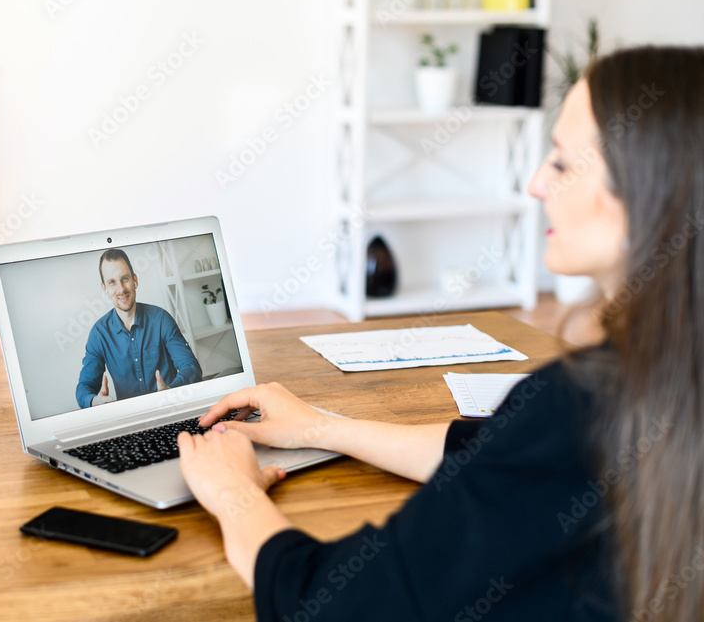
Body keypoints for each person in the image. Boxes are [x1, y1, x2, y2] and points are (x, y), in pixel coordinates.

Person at [179, 46, 704, 622]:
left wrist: (233, 492)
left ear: (644, 190)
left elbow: (333, 604)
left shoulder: (581, 407)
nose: (534, 184)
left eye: (559, 162)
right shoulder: (663, 384)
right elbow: (498, 456)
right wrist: (320, 426)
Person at [76, 248, 202, 408]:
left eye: (125, 278)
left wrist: (170, 391)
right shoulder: (99, 334)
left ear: (135, 280)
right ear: (104, 289)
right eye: (112, 282)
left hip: (172, 408)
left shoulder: (161, 319)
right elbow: (84, 388)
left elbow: (191, 367)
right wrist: (94, 401)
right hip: (131, 420)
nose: (121, 289)